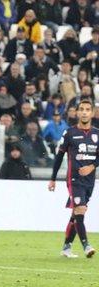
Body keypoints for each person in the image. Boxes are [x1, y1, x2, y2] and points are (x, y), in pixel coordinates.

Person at [49, 100, 98, 259]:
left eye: (87, 109)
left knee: (76, 214)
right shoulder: (69, 133)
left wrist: (92, 166)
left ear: (92, 113)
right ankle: (86, 245)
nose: (84, 112)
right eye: (81, 109)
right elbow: (59, 156)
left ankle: (66, 247)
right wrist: (53, 178)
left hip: (90, 181)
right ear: (77, 113)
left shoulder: (97, 133)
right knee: (80, 210)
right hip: (74, 179)